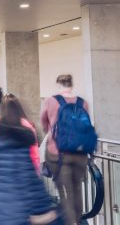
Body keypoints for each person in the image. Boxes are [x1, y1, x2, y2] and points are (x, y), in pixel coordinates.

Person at [0, 94, 60, 224]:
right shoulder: (26, 126)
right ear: (18, 108)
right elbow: (34, 154)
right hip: (18, 210)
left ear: (2, 108)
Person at [41, 74, 91, 225]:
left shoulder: (51, 101)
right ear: (71, 85)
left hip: (58, 153)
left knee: (63, 191)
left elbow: (44, 124)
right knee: (76, 189)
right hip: (79, 152)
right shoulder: (83, 102)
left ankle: (71, 222)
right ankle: (77, 220)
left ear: (58, 85)